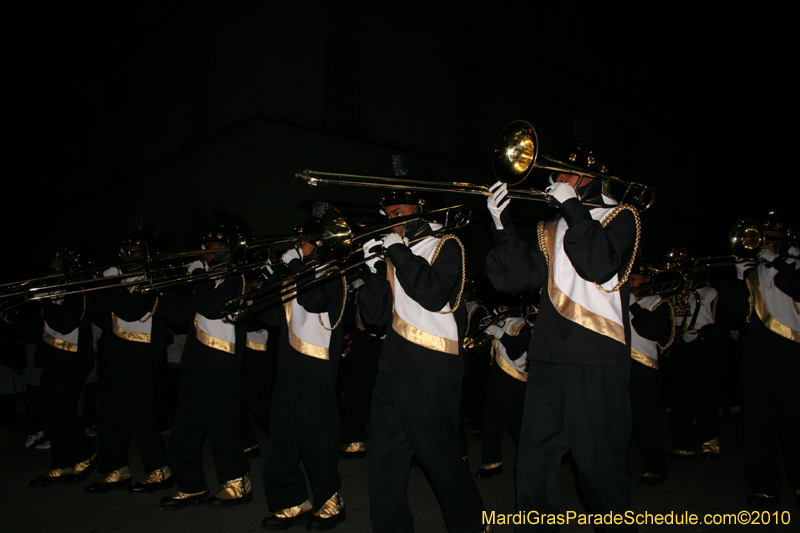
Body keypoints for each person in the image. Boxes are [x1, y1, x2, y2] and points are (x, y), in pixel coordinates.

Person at [485, 143, 640, 532]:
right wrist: (502, 226)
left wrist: (574, 208)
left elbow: (599, 265)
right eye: (553, 174)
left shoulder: (623, 216)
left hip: (597, 358)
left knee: (599, 471)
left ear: (590, 176)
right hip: (549, 356)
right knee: (534, 468)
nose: (554, 180)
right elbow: (519, 279)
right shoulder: (549, 227)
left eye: (563, 173)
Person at [358, 176, 487, 533]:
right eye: (386, 214)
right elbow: (374, 317)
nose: (391, 220)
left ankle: (472, 526)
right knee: (384, 465)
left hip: (431, 370)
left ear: (421, 209)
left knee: (442, 461)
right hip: (392, 370)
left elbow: (431, 294)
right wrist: (372, 274)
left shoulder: (445, 245)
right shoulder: (393, 252)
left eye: (398, 213)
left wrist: (397, 251)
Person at [259, 202, 346, 531]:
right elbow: (269, 318)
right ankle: (290, 502)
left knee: (317, 440)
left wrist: (295, 267)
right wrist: (269, 280)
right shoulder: (298, 276)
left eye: (304, 242)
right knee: (282, 439)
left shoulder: (332, 274)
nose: (298, 247)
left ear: (319, 244)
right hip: (289, 368)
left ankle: (331, 503)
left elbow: (314, 300)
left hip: (317, 370)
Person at [159, 223, 251, 510]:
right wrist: (168, 286)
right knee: (185, 428)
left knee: (221, 425)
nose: (204, 254)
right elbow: (178, 316)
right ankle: (190, 485)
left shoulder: (239, 278)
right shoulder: (204, 279)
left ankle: (237, 481)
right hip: (196, 361)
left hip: (221, 363)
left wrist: (198, 275)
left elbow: (214, 308)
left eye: (209, 250)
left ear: (226, 250)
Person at [83, 229, 177, 494]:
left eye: (132, 252)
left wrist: (113, 284)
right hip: (116, 354)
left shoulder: (153, 280)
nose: (125, 256)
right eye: (123, 251)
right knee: (111, 413)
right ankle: (115, 469)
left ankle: (159, 469)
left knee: (140, 413)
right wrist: (96, 289)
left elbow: (130, 310)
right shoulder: (119, 279)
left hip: (143, 356)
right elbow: (101, 315)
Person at [720, 212, 799, 508]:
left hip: (793, 352)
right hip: (757, 354)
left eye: (769, 241)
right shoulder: (753, 271)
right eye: (759, 240)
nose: (763, 245)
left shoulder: (793, 264)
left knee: (795, 421)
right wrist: (741, 272)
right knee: (758, 423)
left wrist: (774, 262)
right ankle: (764, 486)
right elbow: (735, 310)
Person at [28, 249, 98, 487]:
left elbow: (65, 323)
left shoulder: (78, 288)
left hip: (72, 357)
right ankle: (61, 463)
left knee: (61, 411)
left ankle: (85, 452)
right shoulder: (49, 286)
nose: (54, 267)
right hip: (52, 356)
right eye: (53, 262)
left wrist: (44, 300)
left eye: (60, 264)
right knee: (51, 411)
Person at [667, 249, 726, 461]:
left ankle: (710, 442)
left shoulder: (711, 292)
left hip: (704, 349)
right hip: (683, 348)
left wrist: (701, 335)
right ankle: (683, 444)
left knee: (706, 397)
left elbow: (721, 322)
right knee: (681, 397)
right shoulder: (678, 292)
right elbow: (673, 320)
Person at [628, 261, 674, 485]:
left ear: (647, 281)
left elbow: (652, 331)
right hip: (618, 365)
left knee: (645, 422)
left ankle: (655, 466)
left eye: (634, 279)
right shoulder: (619, 302)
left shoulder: (658, 303)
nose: (630, 283)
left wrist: (633, 307)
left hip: (644, 369)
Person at [474, 296, 530, 480]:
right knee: (490, 422)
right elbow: (480, 351)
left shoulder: (524, 325)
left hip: (515, 382)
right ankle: (492, 462)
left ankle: (528, 464)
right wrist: (485, 330)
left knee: (518, 425)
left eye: (506, 303)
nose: (502, 306)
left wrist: (501, 334)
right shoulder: (498, 320)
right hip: (496, 380)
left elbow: (516, 350)